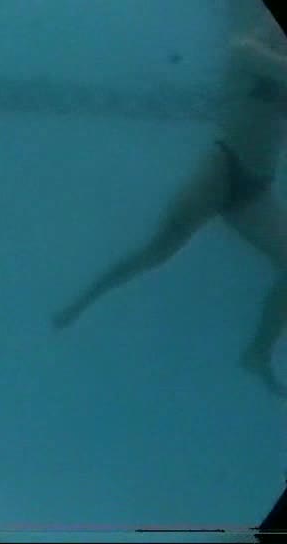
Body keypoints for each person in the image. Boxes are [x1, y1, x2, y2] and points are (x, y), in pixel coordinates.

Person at [52, 8, 287, 397]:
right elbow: (258, 58)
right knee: (155, 253)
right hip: (221, 171)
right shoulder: (244, 48)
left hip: (257, 188)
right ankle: (83, 301)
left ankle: (258, 353)